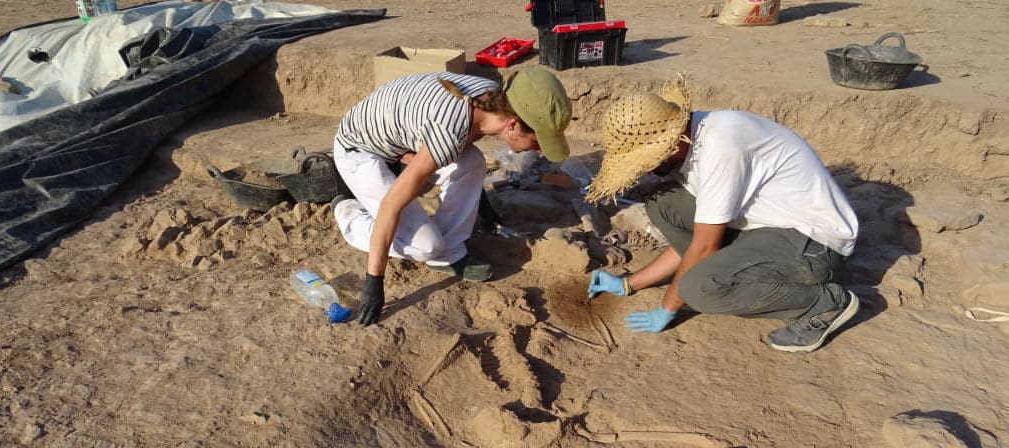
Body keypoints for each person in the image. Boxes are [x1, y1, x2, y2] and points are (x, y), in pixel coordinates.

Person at [585, 77, 859, 353]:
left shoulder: (721, 148)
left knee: (698, 289)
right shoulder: (696, 136)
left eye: (646, 162)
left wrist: (666, 308)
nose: (644, 170)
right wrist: (629, 283)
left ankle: (825, 304)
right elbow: (697, 242)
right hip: (766, 226)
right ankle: (725, 265)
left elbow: (703, 245)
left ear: (670, 144)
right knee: (664, 203)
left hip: (813, 243)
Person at [331, 68, 572, 326]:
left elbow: (458, 142)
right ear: (512, 125)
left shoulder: (492, 97)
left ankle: (449, 253)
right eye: (537, 142)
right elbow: (391, 205)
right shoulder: (449, 131)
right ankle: (348, 212)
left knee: (473, 161)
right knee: (426, 246)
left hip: (398, 139)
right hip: (358, 150)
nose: (538, 150)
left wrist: (480, 202)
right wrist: (374, 282)